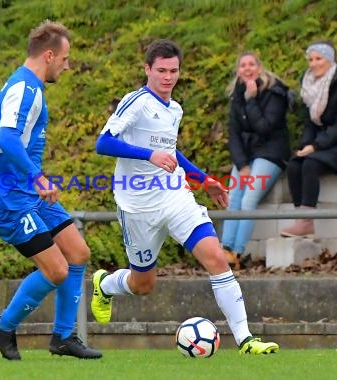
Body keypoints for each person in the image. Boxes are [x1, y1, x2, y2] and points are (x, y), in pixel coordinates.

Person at [91, 39, 279, 355]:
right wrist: (149, 154)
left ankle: (246, 340)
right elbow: (103, 143)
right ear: (147, 69)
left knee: (217, 258)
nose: (168, 77)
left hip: (175, 196)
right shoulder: (135, 102)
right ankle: (105, 285)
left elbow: (171, 151)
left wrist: (204, 180)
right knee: (143, 285)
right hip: (137, 206)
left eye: (174, 71)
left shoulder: (174, 109)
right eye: (161, 70)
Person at [0, 20, 102, 360]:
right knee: (56, 270)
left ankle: (63, 338)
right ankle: (4, 326)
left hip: (28, 194)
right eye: (64, 59)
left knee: (78, 252)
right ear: (49, 55)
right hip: (11, 200)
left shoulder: (29, 87)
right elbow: (6, 138)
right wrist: (38, 177)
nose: (67, 66)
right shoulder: (24, 89)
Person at [280, 41, 337, 237]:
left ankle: (306, 222)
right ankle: (300, 219)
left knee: (310, 164)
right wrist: (305, 145)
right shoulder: (310, 86)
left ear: (330, 60)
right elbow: (310, 123)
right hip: (323, 145)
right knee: (295, 164)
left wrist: (316, 146)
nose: (313, 64)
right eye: (310, 59)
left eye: (318, 59)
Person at [221, 52, 291, 269]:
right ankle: (224, 250)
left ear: (259, 68)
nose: (247, 68)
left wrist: (252, 101)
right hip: (247, 156)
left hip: (270, 153)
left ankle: (237, 252)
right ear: (238, 70)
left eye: (252, 64)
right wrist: (241, 165)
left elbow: (265, 127)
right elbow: (233, 134)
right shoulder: (237, 95)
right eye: (243, 65)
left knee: (248, 200)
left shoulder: (275, 92)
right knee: (233, 199)